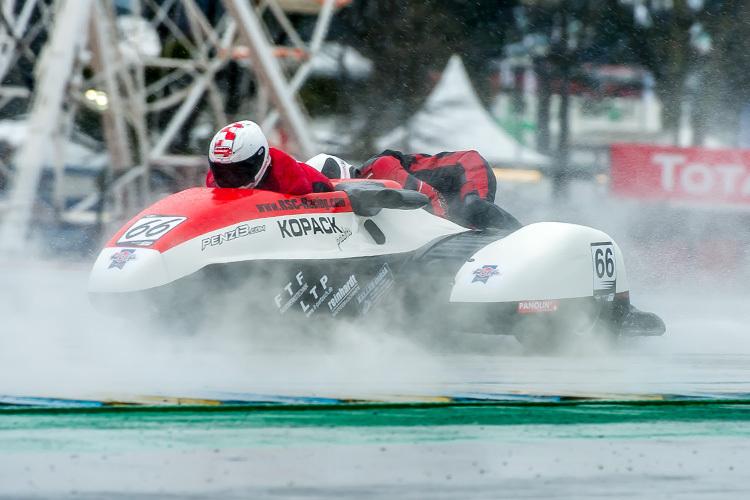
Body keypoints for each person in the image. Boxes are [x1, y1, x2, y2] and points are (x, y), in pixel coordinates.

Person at [307, 150, 521, 230]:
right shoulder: (367, 192)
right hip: (450, 196)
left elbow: (429, 198)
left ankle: (525, 238)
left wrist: (451, 234)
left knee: (475, 209)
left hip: (467, 168)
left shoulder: (378, 169)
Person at [206, 120, 334, 195]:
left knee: (321, 161)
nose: (229, 180)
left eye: (237, 172)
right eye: (222, 173)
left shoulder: (293, 183)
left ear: (259, 158)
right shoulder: (213, 180)